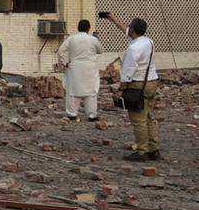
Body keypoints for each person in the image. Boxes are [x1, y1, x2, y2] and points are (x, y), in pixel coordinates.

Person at [104, 13, 160, 161]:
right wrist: (114, 20)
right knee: (149, 117)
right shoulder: (149, 42)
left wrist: (121, 89)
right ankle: (154, 149)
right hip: (152, 81)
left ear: (133, 30)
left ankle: (142, 151)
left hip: (138, 84)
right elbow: (125, 30)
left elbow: (128, 72)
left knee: (138, 119)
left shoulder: (133, 49)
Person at [58, 19, 105, 121]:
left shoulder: (71, 39)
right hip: (90, 68)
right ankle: (92, 115)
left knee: (73, 91)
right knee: (91, 92)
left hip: (74, 68)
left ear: (78, 28)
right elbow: (100, 51)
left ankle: (72, 114)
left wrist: (65, 62)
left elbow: (61, 50)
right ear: (89, 28)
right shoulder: (93, 39)